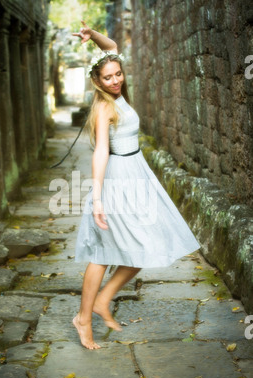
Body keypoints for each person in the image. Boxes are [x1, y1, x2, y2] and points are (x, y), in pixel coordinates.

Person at [72, 22, 201, 350]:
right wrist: (98, 198)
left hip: (136, 172)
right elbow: (101, 150)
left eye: (118, 74)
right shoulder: (104, 106)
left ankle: (103, 301)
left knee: (143, 244)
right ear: (97, 82)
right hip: (118, 179)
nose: (115, 81)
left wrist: (92, 37)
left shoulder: (115, 86)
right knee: (103, 251)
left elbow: (111, 43)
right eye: (108, 77)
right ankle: (83, 318)